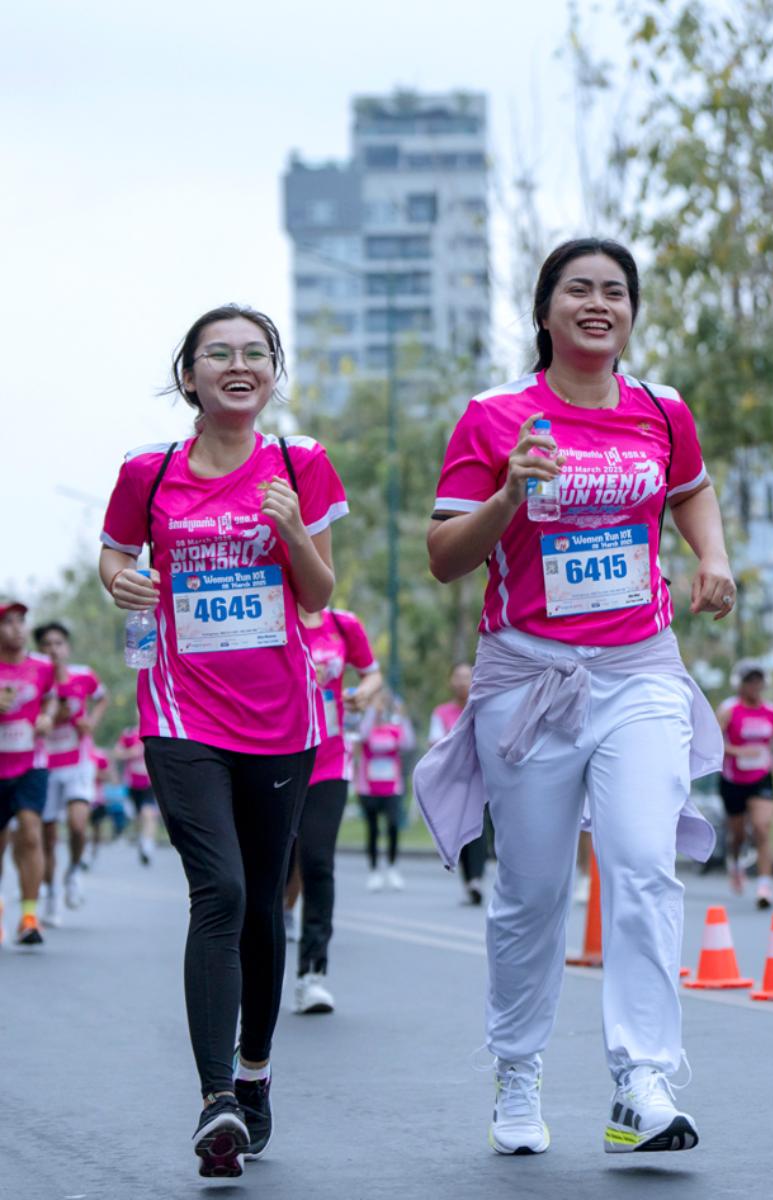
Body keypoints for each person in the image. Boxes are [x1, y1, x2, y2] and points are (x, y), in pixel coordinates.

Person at [415, 237, 733, 1157]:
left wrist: (711, 556)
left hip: (640, 670)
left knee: (643, 865)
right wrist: (509, 494)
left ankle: (643, 1080)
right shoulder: (495, 416)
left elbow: (692, 490)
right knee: (532, 891)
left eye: (616, 292)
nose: (599, 304)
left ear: (631, 313)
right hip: (529, 679)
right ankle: (518, 1070)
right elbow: (444, 558)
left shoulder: (661, 410)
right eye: (579, 290)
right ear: (545, 309)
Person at [98, 303, 346, 1176]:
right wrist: (124, 583)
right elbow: (115, 554)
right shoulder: (150, 471)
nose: (239, 365)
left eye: (255, 353)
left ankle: (255, 1072)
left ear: (273, 373)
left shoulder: (300, 464)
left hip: (280, 720)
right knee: (222, 892)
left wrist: (290, 530)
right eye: (219, 354)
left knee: (263, 907)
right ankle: (215, 1102)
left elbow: (319, 594)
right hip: (181, 715)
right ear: (189, 376)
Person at [293, 605, 381, 1012]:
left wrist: (364, 693)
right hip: (275, 757)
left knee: (317, 861)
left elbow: (372, 673)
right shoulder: (271, 612)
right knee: (275, 869)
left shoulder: (343, 624)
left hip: (329, 759)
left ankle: (312, 974)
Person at [33, 622, 107, 919]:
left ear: (67, 647)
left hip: (78, 762)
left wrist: (92, 722)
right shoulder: (34, 679)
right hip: (45, 766)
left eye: (58, 643)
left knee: (77, 825)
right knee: (48, 837)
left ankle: (74, 871)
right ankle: (51, 893)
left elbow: (102, 698)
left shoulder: (84, 675)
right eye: (47, 644)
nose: (53, 649)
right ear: (39, 650)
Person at [0, 600, 57, 945]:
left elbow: (51, 697)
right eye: (8, 622)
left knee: (31, 832)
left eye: (21, 621)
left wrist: (47, 716)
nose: (17, 628)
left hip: (32, 762)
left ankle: (30, 918)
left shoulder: (42, 666)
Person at [717, 664, 773, 908]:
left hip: (761, 777)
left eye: (758, 681)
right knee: (737, 834)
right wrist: (737, 751)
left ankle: (764, 886)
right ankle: (735, 862)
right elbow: (712, 740)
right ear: (740, 684)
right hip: (733, 779)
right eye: (749, 682)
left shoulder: (771, 711)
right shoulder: (729, 709)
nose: (755, 686)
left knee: (762, 827)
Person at [429, 662, 488, 905]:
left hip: (482, 780)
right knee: (461, 830)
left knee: (480, 829)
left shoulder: (483, 708)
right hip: (454, 782)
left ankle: (476, 879)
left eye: (467, 676)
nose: (463, 681)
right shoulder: (441, 713)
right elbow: (435, 743)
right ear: (451, 681)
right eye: (458, 676)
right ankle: (468, 881)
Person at [356, 697, 413, 891]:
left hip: (392, 788)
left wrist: (402, 715)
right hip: (368, 788)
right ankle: (373, 871)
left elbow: (408, 743)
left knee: (393, 826)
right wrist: (372, 709)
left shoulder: (393, 729)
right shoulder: (367, 729)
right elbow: (362, 734)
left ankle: (392, 867)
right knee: (372, 829)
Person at [113, 725, 158, 865]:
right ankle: (142, 841)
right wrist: (131, 752)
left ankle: (148, 845)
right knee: (139, 817)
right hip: (132, 784)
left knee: (148, 813)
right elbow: (117, 753)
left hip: (149, 782)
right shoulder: (128, 734)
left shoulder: (156, 730)